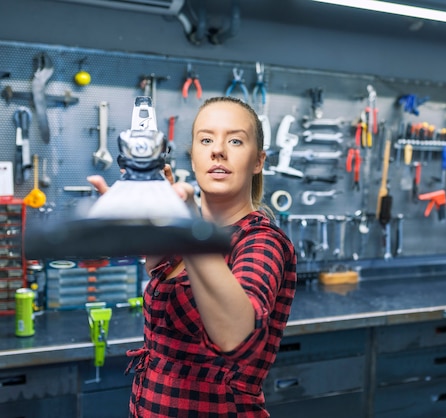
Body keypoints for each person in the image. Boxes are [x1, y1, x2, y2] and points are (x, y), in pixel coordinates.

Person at [88, 96, 297, 417]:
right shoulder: (184, 227)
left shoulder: (262, 241)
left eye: (236, 140)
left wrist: (188, 229)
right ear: (194, 156)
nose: (218, 150)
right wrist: (147, 212)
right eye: (206, 139)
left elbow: (234, 336)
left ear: (258, 161)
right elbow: (146, 261)